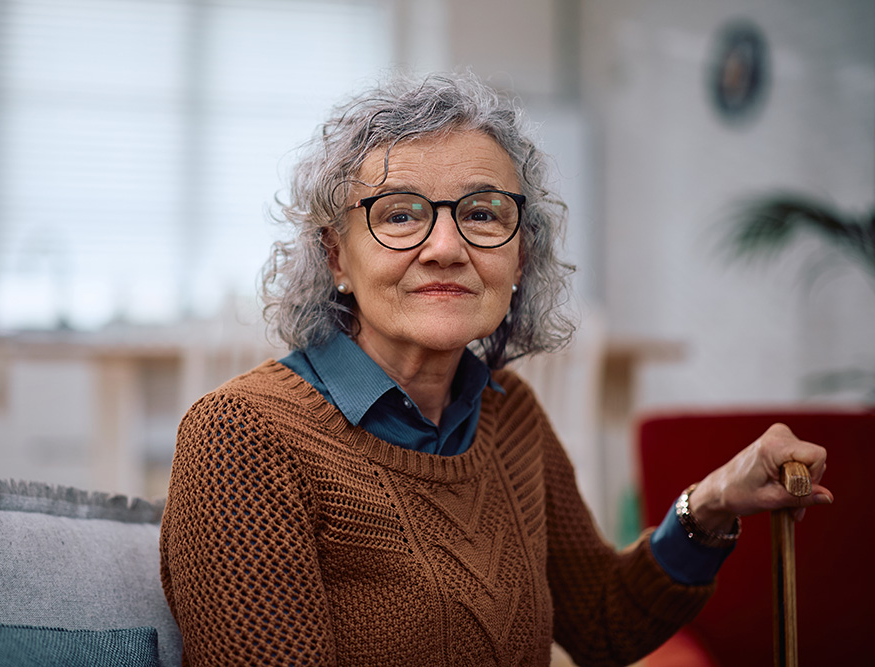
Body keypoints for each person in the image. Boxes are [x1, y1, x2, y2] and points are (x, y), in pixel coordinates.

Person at [159, 72, 832, 667]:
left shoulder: (509, 414)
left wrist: (712, 503)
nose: (446, 247)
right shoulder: (242, 436)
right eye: (399, 214)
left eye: (482, 213)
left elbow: (603, 623)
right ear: (337, 257)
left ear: (519, 256)